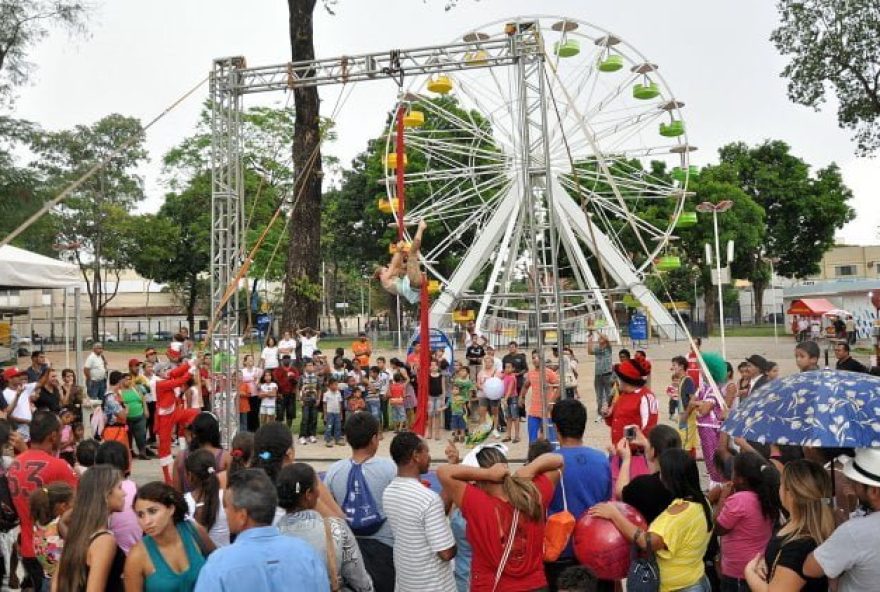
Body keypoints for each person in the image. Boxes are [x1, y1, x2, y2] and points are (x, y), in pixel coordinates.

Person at [438, 444, 562, 591]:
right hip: (535, 584)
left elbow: (443, 472)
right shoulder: (533, 494)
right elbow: (558, 460)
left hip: (491, 586)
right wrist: (529, 468)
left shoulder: (477, 503)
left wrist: (487, 474)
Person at [590, 449, 713, 592]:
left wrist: (614, 515)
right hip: (696, 579)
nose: (658, 476)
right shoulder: (702, 503)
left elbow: (646, 542)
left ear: (670, 479)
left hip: (678, 587)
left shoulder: (678, 515)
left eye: (662, 473)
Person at [193, 469, 329, 592]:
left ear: (242, 516)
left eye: (227, 507)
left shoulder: (219, 564)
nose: (225, 512)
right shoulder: (306, 553)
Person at [324, 412, 396, 592]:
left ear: (347, 438)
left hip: (347, 550)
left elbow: (326, 510)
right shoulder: (390, 468)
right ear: (374, 439)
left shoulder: (334, 471)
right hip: (384, 547)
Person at [276, 463, 374, 592]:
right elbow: (358, 579)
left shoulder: (271, 533)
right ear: (308, 494)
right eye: (316, 487)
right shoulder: (336, 528)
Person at [545, 399, 611, 590]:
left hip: (561, 550)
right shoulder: (601, 460)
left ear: (556, 428)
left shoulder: (548, 463)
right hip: (596, 549)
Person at [8, 410, 79, 589]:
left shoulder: (15, 463)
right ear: (53, 436)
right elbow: (79, 505)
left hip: (27, 546)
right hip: (53, 549)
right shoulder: (59, 466)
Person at [744, 459, 833, 592]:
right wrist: (767, 561)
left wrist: (749, 571)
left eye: (781, 484)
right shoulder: (795, 524)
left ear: (790, 493)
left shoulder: (799, 547)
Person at [384, 432, 456, 592]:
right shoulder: (427, 499)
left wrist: (452, 468)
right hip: (433, 585)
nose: (430, 457)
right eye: (427, 452)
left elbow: (429, 516)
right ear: (416, 455)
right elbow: (446, 552)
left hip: (407, 582)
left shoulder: (389, 492)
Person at [802, 447, 880, 591]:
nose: (851, 486)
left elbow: (810, 568)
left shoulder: (854, 532)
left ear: (874, 491)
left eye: (856, 483)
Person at [124, 481, 213, 592]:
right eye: (140, 515)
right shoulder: (137, 556)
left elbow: (219, 567)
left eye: (153, 511)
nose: (146, 521)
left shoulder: (194, 531)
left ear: (171, 509)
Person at [54, 465, 127, 592]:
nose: (124, 493)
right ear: (105, 494)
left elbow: (56, 582)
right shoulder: (104, 541)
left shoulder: (78, 534)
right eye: (119, 487)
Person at [714, 452, 781, 591]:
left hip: (737, 572)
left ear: (740, 479)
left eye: (733, 472)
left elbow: (718, 528)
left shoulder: (739, 500)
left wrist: (722, 498)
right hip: (758, 567)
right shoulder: (765, 496)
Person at [616, 425, 681, 523]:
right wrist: (647, 445)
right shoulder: (684, 478)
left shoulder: (643, 485)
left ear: (653, 451)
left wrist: (626, 460)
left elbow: (620, 493)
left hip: (648, 533)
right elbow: (657, 468)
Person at [155, 362, 201, 484]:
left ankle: (191, 435)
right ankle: (167, 477)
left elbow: (178, 371)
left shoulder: (168, 375)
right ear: (158, 373)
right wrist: (192, 370)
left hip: (174, 412)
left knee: (195, 413)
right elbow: (178, 382)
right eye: (164, 370)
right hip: (164, 417)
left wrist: (191, 361)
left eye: (167, 369)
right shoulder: (160, 383)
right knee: (164, 448)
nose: (167, 371)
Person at [97, 440, 143, 555]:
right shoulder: (135, 488)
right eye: (119, 488)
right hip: (134, 553)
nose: (124, 493)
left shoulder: (95, 489)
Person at [30, 482, 75, 592]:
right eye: (75, 502)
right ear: (64, 506)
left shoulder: (38, 524)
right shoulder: (60, 525)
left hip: (47, 581)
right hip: (63, 583)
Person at [692, 352, 728, 487]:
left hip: (710, 427)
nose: (700, 371)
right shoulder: (706, 388)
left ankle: (717, 484)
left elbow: (704, 409)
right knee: (709, 458)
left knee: (712, 458)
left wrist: (697, 404)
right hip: (705, 426)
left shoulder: (714, 389)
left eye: (702, 368)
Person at [602, 358, 657, 444]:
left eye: (619, 378)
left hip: (635, 453)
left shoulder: (646, 397)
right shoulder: (623, 395)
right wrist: (608, 415)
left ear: (626, 380)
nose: (616, 381)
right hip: (619, 450)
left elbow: (648, 428)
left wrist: (627, 442)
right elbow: (616, 422)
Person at [172, 412, 231, 493]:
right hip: (216, 504)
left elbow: (177, 492)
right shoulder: (225, 457)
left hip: (188, 504)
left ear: (194, 432)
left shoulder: (181, 457)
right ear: (216, 432)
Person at [185, 449, 230, 547]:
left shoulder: (184, 502)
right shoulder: (226, 498)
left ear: (190, 475)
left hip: (198, 560)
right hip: (225, 559)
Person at [376, 219, 428, 305]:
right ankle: (421, 228)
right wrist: (398, 250)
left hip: (415, 285)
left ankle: (411, 234)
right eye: (385, 270)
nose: (388, 270)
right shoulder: (385, 280)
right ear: (380, 276)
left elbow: (399, 266)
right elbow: (393, 265)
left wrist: (401, 252)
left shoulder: (392, 280)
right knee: (412, 253)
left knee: (411, 254)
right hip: (414, 284)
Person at [520, 353, 559, 443]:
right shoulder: (531, 373)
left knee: (550, 438)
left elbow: (559, 387)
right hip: (534, 411)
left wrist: (552, 402)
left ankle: (551, 456)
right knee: (532, 439)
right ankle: (534, 455)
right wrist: (521, 397)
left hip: (547, 411)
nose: (535, 359)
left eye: (537, 357)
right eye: (533, 357)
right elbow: (526, 385)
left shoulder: (549, 373)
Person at [670, 356, 698, 457]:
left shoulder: (687, 380)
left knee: (686, 444)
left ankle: (687, 466)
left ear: (681, 366)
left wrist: (685, 415)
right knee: (685, 442)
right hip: (683, 415)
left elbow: (693, 399)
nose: (672, 368)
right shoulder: (682, 380)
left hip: (687, 417)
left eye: (674, 365)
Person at [271, 355, 298, 429]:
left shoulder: (294, 370)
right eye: (285, 359)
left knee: (290, 413)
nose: (286, 361)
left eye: (288, 359)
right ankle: (279, 430)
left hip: (291, 394)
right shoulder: (277, 370)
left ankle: (288, 429)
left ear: (290, 360)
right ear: (281, 361)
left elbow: (296, 381)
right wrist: (278, 393)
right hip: (281, 394)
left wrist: (292, 378)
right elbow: (275, 382)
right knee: (279, 414)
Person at [239, 354, 262, 432]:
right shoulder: (242, 371)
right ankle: (247, 430)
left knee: (255, 412)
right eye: (249, 360)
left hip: (255, 394)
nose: (251, 361)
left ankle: (256, 429)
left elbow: (259, 382)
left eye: (252, 359)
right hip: (246, 395)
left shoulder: (257, 370)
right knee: (247, 413)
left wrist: (257, 381)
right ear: (245, 362)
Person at [323, 378, 343, 447]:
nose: (336, 386)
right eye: (335, 385)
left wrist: (341, 414)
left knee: (338, 426)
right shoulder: (326, 394)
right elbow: (324, 404)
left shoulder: (338, 393)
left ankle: (337, 439)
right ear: (330, 385)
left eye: (337, 385)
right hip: (330, 413)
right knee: (329, 426)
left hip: (337, 413)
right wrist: (325, 415)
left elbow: (340, 403)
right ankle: (328, 440)